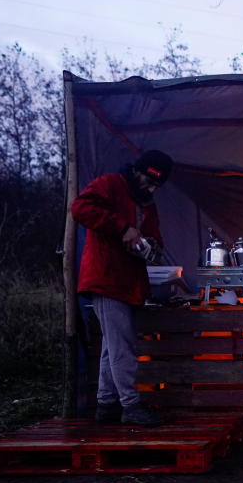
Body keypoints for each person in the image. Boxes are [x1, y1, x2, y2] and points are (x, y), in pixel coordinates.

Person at [71, 150, 174, 426]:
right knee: (123, 346)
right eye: (150, 182)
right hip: (106, 278)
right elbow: (80, 208)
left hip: (130, 282)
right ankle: (131, 405)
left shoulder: (146, 203)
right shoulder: (110, 185)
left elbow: (155, 234)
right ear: (139, 172)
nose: (152, 189)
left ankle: (106, 405)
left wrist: (153, 246)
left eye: (156, 186)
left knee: (112, 345)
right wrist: (122, 228)